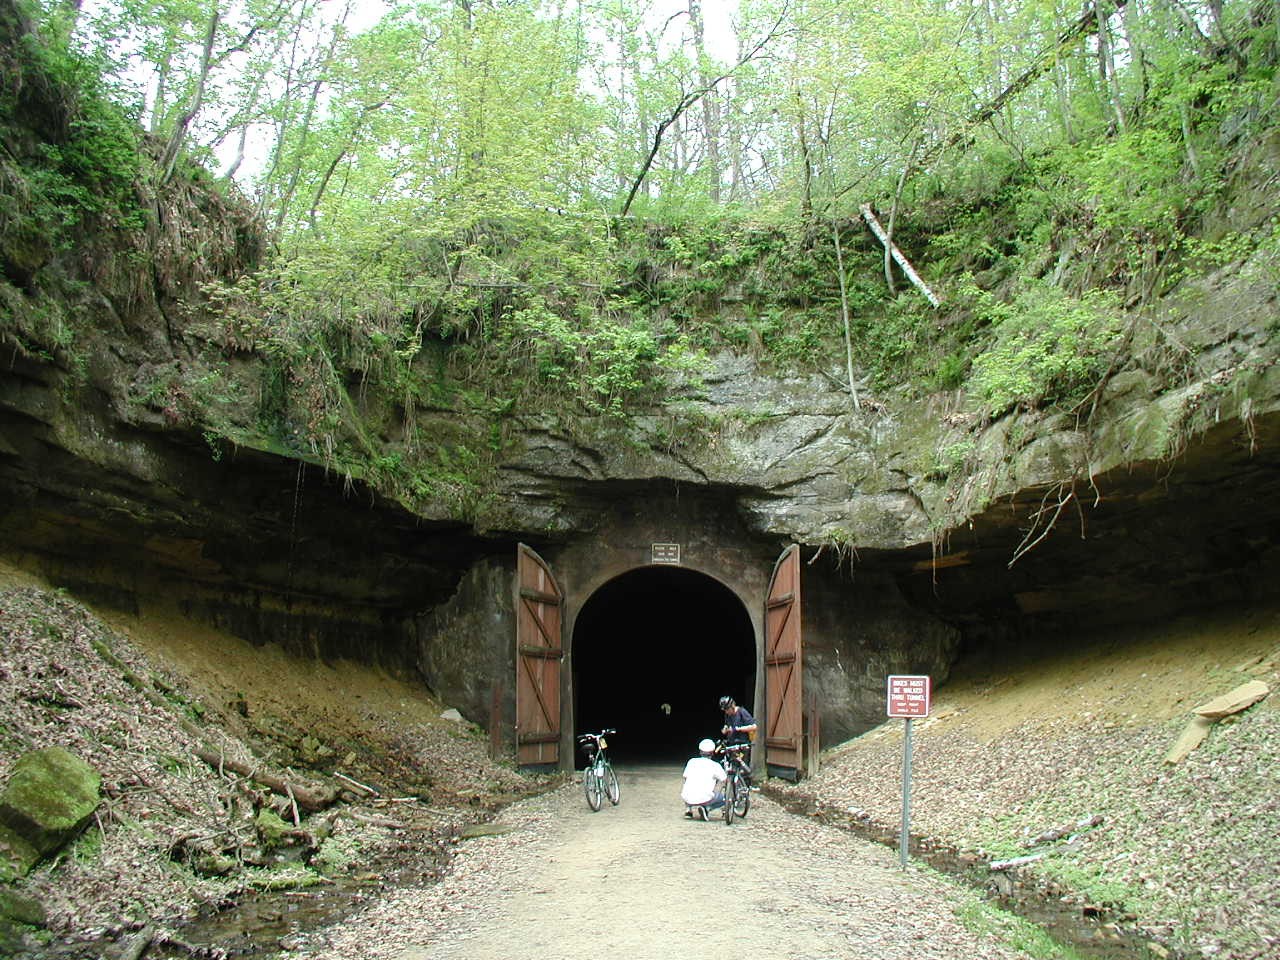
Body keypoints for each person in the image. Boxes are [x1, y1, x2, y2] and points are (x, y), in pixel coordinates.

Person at [681, 738, 726, 820]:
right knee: (723, 798)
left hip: (687, 796)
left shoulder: (692, 761)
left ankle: (688, 810)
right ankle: (707, 808)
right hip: (705, 798)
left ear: (700, 751)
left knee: (688, 785)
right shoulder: (715, 765)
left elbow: (685, 777)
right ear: (712, 753)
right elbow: (724, 780)